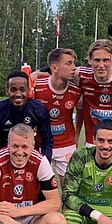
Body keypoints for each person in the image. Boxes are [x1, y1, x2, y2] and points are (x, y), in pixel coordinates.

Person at [0, 70, 54, 224]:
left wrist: (43, 164)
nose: (18, 94)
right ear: (7, 91)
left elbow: (47, 140)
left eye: (22, 89)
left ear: (29, 90)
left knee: (39, 198)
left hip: (30, 160)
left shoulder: (39, 109)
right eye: (13, 89)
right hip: (2, 162)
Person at [34, 48, 81, 186]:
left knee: (70, 187)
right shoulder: (37, 86)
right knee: (39, 187)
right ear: (54, 68)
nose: (74, 68)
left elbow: (81, 113)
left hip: (66, 144)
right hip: (41, 143)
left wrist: (77, 136)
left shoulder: (76, 91)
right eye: (69, 63)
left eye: (74, 63)